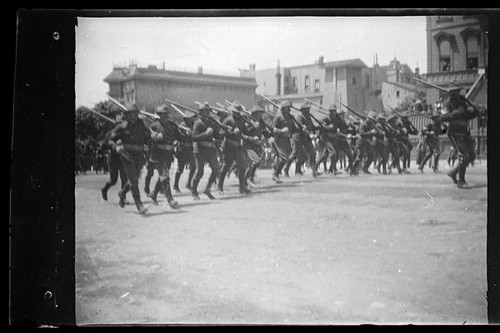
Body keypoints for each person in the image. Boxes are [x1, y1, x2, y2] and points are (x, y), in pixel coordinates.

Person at [108, 104, 152, 214]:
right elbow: (110, 140)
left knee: (134, 179)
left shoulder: (142, 125)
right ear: (127, 115)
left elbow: (148, 138)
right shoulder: (122, 126)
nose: (133, 116)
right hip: (127, 155)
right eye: (130, 114)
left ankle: (122, 193)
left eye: (135, 114)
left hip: (139, 156)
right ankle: (139, 205)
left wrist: (151, 139)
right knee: (133, 180)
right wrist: (116, 147)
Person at [441, 89, 485, 188]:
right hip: (455, 132)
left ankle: (453, 172)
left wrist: (477, 111)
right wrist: (462, 110)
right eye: (460, 90)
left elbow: (467, 116)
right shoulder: (448, 103)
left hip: (464, 131)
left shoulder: (463, 102)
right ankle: (461, 181)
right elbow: (444, 115)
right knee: (464, 155)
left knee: (471, 156)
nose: (463, 92)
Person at [146, 106, 181, 208]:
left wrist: (177, 141)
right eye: (162, 115)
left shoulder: (172, 126)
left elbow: (178, 137)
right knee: (165, 176)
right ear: (159, 115)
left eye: (166, 114)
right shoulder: (153, 126)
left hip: (168, 155)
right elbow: (147, 139)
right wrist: (155, 137)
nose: (164, 116)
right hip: (157, 154)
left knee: (163, 176)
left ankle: (154, 194)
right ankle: (170, 199)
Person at [217, 103, 252, 194]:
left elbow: (246, 132)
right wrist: (231, 132)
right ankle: (220, 187)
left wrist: (249, 124)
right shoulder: (228, 120)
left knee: (242, 166)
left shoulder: (241, 120)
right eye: (236, 112)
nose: (238, 114)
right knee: (226, 167)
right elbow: (220, 132)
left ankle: (242, 187)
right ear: (232, 112)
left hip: (238, 147)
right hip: (228, 146)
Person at [190, 102, 222, 200]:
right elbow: (193, 137)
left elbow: (217, 135)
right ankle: (194, 191)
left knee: (216, 169)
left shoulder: (211, 122)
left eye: (209, 111)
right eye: (206, 111)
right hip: (200, 150)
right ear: (201, 112)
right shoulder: (198, 123)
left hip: (210, 149)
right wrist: (206, 133)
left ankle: (207, 189)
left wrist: (224, 132)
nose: (208, 113)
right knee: (200, 172)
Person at [100, 113, 128, 202]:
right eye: (118, 123)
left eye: (121, 123)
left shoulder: (126, 133)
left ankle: (123, 197)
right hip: (113, 159)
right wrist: (112, 146)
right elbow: (104, 147)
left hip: (123, 158)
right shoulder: (110, 133)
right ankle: (104, 190)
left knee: (125, 178)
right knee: (113, 180)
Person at [289, 102, 321, 177]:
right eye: (306, 109)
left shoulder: (309, 118)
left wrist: (320, 126)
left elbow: (312, 127)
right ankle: (287, 169)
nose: (308, 111)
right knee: (295, 154)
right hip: (298, 138)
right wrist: (310, 134)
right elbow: (302, 128)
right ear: (303, 110)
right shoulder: (299, 117)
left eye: (308, 109)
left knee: (312, 153)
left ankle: (314, 170)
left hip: (306, 139)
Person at [245, 105, 273, 185]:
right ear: (254, 114)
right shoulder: (248, 121)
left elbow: (265, 132)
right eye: (258, 113)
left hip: (257, 145)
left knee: (257, 162)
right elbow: (245, 132)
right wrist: (253, 135)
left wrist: (272, 134)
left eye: (260, 113)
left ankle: (249, 178)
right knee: (253, 162)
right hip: (249, 145)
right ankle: (247, 179)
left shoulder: (261, 122)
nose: (260, 115)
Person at [271, 100, 297, 183]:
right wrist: (281, 131)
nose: (289, 109)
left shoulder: (289, 117)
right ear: (283, 108)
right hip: (279, 140)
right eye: (287, 107)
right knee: (283, 158)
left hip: (287, 140)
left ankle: (276, 167)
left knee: (287, 157)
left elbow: (294, 129)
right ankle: (275, 174)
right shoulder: (278, 117)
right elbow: (272, 129)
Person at [173, 114, 196, 193]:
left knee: (193, 167)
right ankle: (175, 186)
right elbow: (179, 137)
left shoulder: (193, 125)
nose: (191, 120)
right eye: (189, 119)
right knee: (180, 169)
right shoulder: (181, 126)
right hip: (182, 149)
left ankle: (189, 184)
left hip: (191, 149)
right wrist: (186, 134)